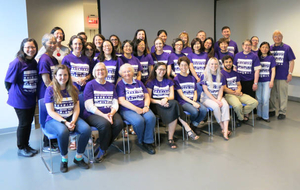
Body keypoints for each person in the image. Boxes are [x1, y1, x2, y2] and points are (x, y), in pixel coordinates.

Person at [44, 65, 91, 173]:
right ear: (55, 76)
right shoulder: (50, 90)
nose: (63, 77)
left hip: (71, 117)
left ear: (69, 76)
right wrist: (65, 122)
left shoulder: (73, 89)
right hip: (53, 120)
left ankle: (78, 158)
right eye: (60, 75)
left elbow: (76, 108)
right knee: (63, 131)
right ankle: (64, 159)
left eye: (65, 75)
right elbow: (50, 111)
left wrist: (73, 121)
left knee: (86, 129)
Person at [146, 62, 199, 148]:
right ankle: (186, 128)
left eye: (164, 69)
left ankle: (172, 137)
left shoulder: (169, 81)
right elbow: (149, 99)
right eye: (160, 69)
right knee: (174, 106)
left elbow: (172, 96)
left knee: (174, 104)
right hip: (156, 104)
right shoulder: (150, 82)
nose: (162, 71)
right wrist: (160, 102)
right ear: (155, 70)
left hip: (167, 102)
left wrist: (166, 99)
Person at [5, 38, 39, 157]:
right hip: (20, 99)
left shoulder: (33, 62)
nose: (30, 49)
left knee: (29, 122)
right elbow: (7, 82)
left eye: (33, 47)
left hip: (30, 98)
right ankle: (21, 147)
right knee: (24, 123)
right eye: (27, 47)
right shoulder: (17, 63)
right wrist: (15, 94)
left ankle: (26, 145)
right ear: (22, 49)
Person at [84, 62, 124, 162]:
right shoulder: (90, 85)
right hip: (93, 113)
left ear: (106, 72)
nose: (100, 71)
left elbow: (115, 102)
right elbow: (89, 105)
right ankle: (102, 149)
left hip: (109, 112)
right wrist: (104, 116)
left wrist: (111, 113)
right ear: (94, 72)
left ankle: (101, 144)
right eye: (98, 70)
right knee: (105, 124)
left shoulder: (111, 86)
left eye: (102, 69)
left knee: (119, 123)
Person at [116, 64, 156, 154]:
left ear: (133, 72)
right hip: (127, 110)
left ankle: (148, 141)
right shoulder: (120, 85)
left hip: (143, 107)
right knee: (139, 121)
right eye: (124, 72)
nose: (127, 73)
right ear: (121, 74)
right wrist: (136, 109)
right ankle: (142, 140)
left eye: (129, 71)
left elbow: (146, 96)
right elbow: (121, 101)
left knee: (151, 118)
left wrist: (146, 106)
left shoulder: (139, 82)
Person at [221, 55, 258, 127]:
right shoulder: (221, 74)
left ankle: (239, 115)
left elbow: (239, 85)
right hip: (228, 95)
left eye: (230, 62)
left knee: (254, 102)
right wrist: (235, 92)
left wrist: (239, 90)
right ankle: (241, 118)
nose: (228, 64)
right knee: (238, 105)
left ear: (232, 63)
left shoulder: (235, 73)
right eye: (226, 62)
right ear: (223, 64)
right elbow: (224, 88)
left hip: (238, 93)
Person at [200, 57, 231, 140]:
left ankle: (226, 129)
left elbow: (221, 90)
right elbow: (205, 90)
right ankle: (223, 127)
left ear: (218, 65)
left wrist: (219, 100)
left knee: (225, 106)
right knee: (216, 106)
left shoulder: (221, 76)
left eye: (216, 64)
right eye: (212, 64)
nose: (214, 65)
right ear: (209, 65)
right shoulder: (204, 75)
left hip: (218, 97)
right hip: (207, 98)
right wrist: (216, 101)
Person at [174, 56, 207, 131]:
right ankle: (189, 126)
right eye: (182, 65)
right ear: (179, 66)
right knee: (195, 112)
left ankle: (193, 125)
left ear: (188, 66)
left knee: (204, 110)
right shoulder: (176, 79)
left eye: (185, 65)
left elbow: (195, 91)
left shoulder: (192, 78)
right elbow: (181, 95)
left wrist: (194, 100)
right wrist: (193, 103)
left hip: (193, 100)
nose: (184, 67)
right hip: (183, 102)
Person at [269, 30, 295, 120]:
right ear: (273, 38)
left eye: (279, 36)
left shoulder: (287, 48)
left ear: (282, 37)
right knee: (271, 95)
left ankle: (282, 112)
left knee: (282, 95)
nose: (277, 38)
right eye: (275, 36)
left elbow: (292, 61)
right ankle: (272, 109)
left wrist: (290, 73)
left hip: (282, 75)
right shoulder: (270, 48)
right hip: (271, 76)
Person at [256, 42, 276, 122]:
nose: (264, 49)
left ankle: (265, 116)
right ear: (260, 48)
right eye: (263, 47)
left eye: (266, 47)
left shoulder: (271, 58)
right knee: (259, 99)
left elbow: (273, 70)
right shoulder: (257, 58)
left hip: (267, 81)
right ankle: (259, 115)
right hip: (258, 81)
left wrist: (272, 81)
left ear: (268, 49)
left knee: (265, 99)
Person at [37, 33, 59, 100]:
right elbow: (47, 81)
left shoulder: (54, 59)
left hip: (54, 92)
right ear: (44, 44)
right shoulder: (44, 59)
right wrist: (56, 92)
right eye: (50, 43)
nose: (53, 45)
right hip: (46, 93)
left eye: (54, 43)